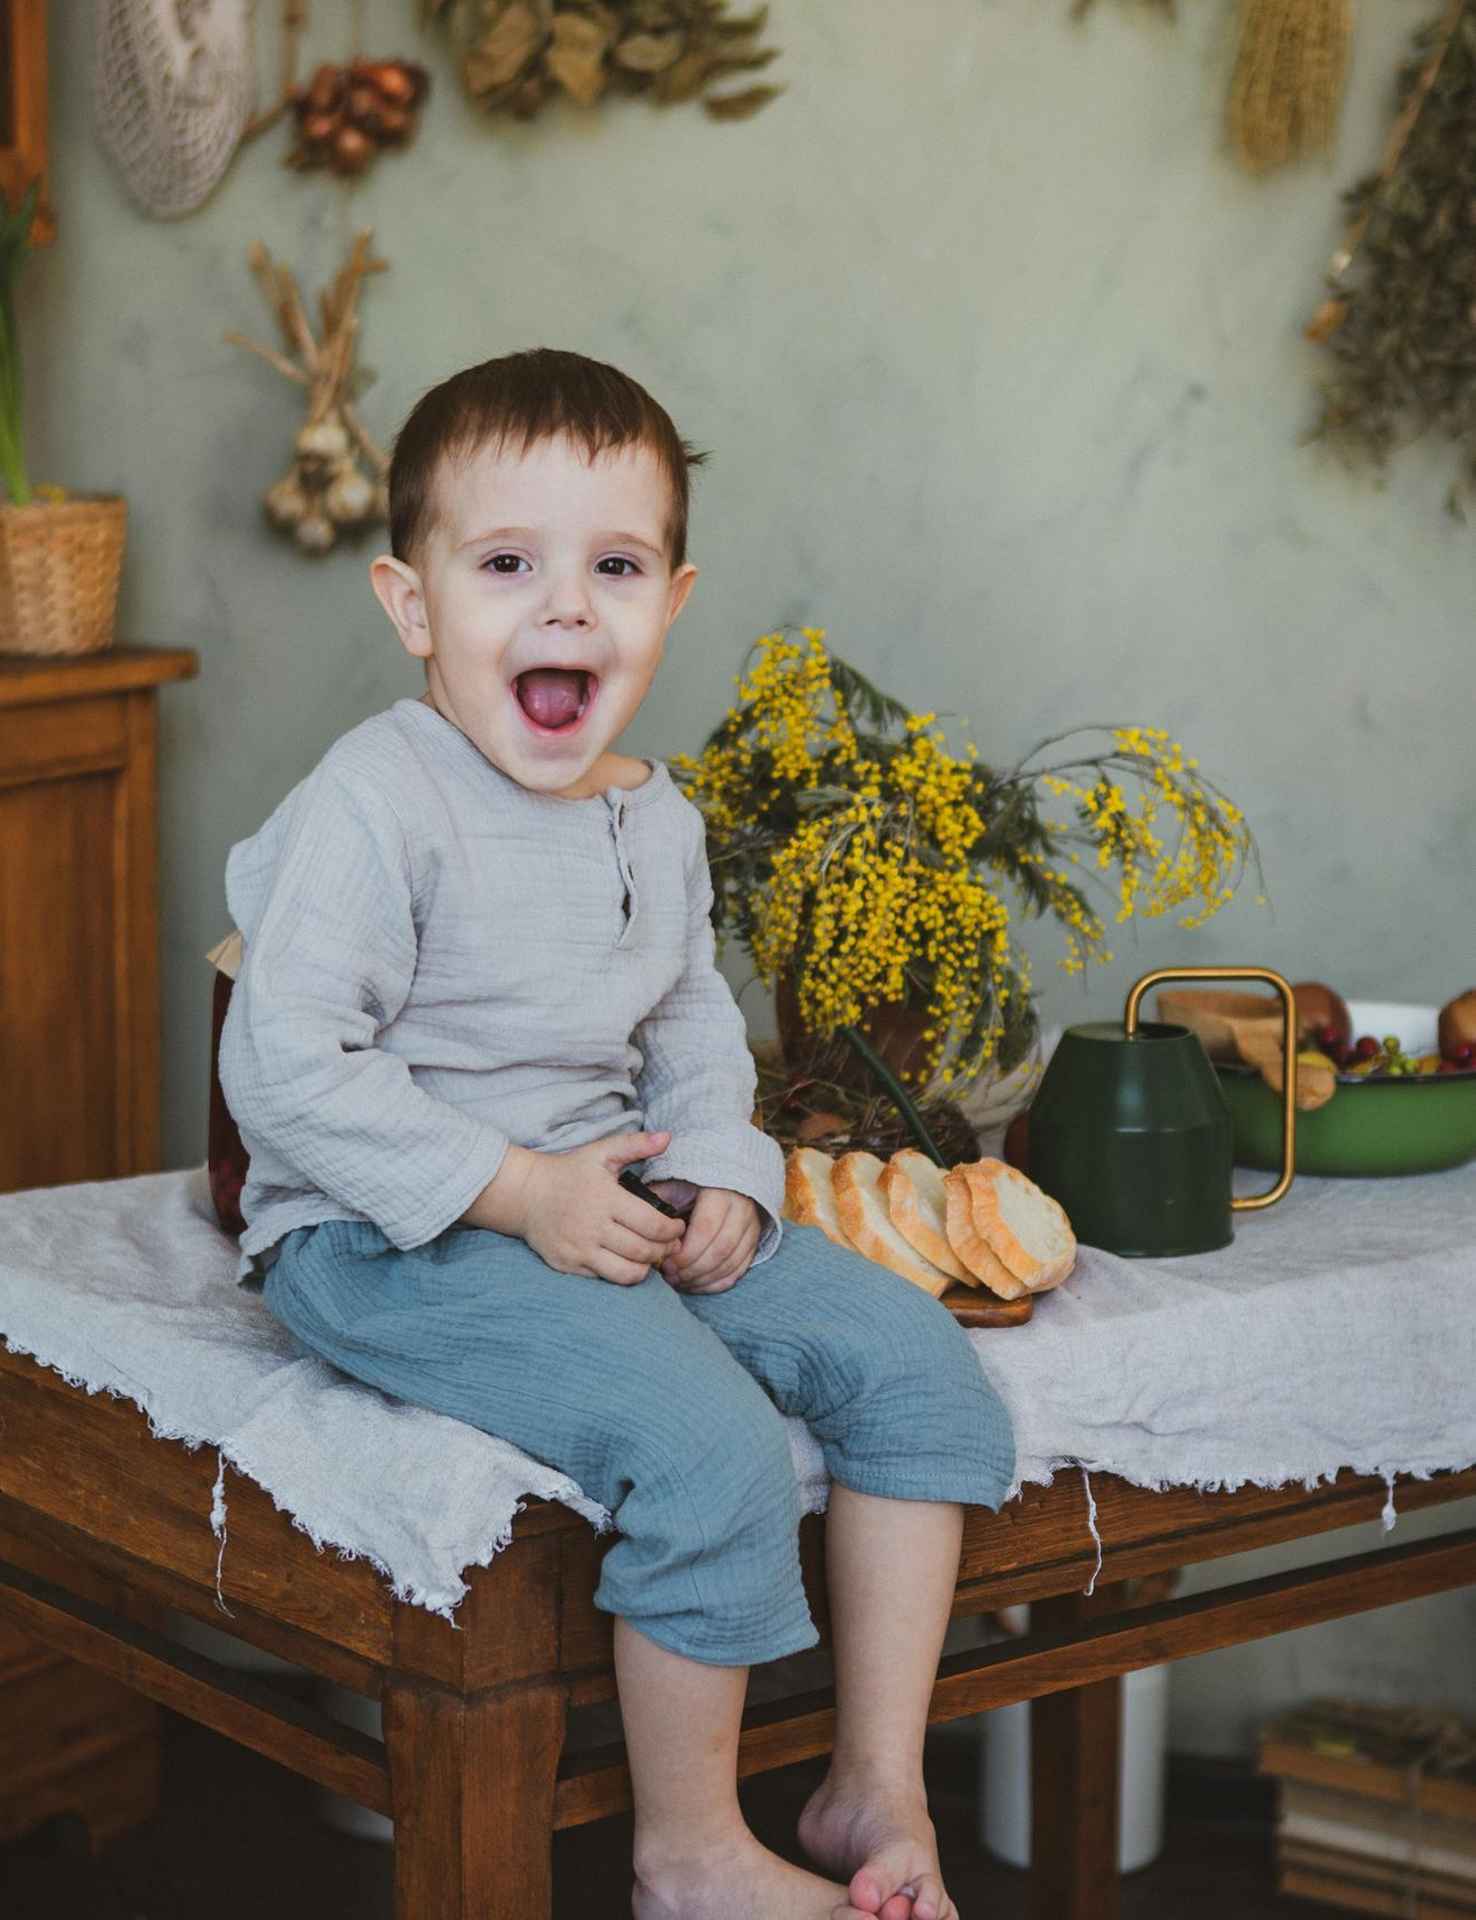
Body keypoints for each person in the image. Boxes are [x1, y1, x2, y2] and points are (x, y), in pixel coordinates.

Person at [218, 348, 1014, 1920]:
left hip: (607, 1185)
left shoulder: (658, 813)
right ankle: (690, 1855)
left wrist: (721, 1171)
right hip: (386, 1232)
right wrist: (518, 1192)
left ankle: (875, 1780)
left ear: (673, 598)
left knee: (916, 1364)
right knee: (706, 1443)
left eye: (618, 567)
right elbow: (288, 1064)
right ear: (411, 603)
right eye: (508, 565)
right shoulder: (374, 802)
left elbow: (691, 1020)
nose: (568, 609)